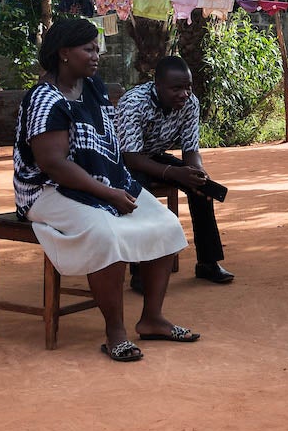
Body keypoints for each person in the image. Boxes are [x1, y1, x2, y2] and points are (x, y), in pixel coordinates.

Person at [14, 18, 200, 362]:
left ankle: (152, 318)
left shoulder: (94, 87)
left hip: (102, 181)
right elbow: (52, 164)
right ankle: (115, 330)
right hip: (46, 191)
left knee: (166, 223)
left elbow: (107, 144)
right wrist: (108, 194)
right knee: (104, 233)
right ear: (64, 54)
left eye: (96, 48)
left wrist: (114, 186)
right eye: (89, 49)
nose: (96, 54)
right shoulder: (45, 99)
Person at [115, 56, 234, 292]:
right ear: (157, 86)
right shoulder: (134, 102)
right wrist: (174, 172)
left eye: (188, 87)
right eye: (176, 88)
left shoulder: (190, 103)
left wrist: (196, 171)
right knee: (142, 198)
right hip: (122, 160)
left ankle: (208, 263)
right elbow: (131, 158)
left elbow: (191, 149)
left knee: (202, 189)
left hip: (153, 155)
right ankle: (140, 270)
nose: (184, 93)